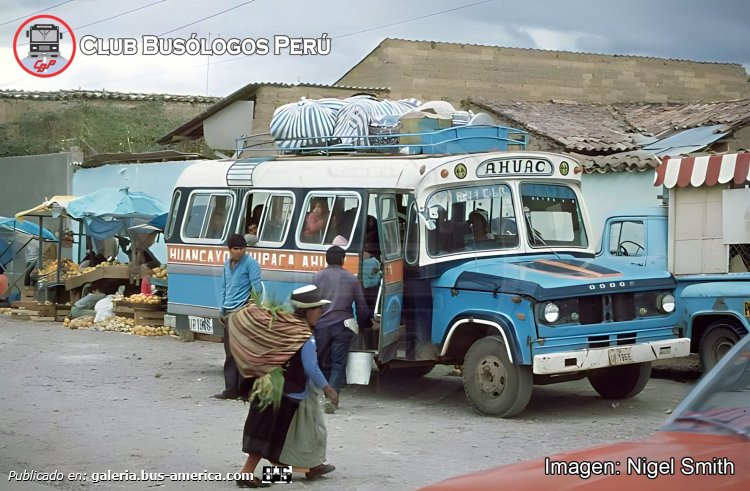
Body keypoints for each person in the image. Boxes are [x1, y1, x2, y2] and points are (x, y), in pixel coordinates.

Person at [230, 285, 338, 487]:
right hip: (285, 393)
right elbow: (311, 367)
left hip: (272, 389)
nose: (320, 313)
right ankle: (246, 473)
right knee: (267, 435)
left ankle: (306, 468)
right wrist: (328, 388)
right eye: (318, 309)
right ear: (308, 310)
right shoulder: (303, 334)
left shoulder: (284, 325)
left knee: (276, 436)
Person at [313, 246, 370, 413]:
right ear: (343, 259)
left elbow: (312, 304)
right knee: (338, 363)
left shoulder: (317, 277)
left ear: (326, 259)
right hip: (343, 325)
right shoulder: (351, 279)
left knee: (324, 361)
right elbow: (361, 306)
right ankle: (333, 397)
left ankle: (327, 394)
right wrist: (365, 324)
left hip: (321, 326)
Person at [214, 234, 262, 400]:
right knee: (230, 353)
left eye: (242, 248)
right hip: (228, 312)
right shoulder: (227, 264)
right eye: (236, 249)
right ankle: (230, 390)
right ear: (229, 249)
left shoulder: (251, 263)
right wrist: (221, 309)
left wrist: (254, 308)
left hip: (242, 312)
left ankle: (245, 391)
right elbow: (224, 287)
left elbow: (257, 288)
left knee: (244, 352)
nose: (239, 252)